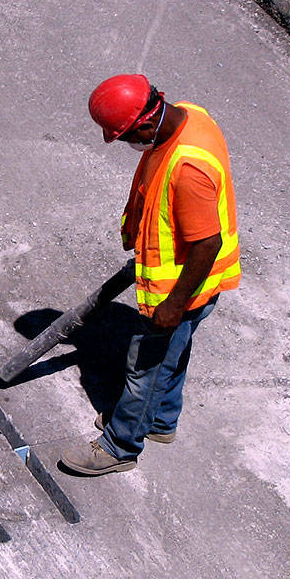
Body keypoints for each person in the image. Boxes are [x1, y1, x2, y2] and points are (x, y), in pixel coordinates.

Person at [59, 74, 240, 475]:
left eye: (122, 137)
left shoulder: (188, 167)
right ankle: (159, 422)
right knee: (171, 356)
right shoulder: (190, 116)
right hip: (193, 285)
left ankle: (119, 446)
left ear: (143, 123)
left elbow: (206, 244)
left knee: (146, 366)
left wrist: (174, 304)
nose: (126, 145)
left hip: (182, 286)